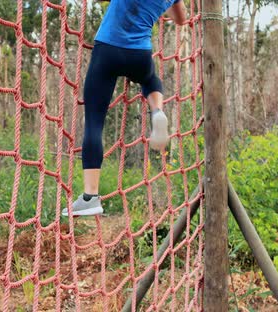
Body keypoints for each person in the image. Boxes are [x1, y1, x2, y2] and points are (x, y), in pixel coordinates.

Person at [62, 0, 186, 217]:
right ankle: (157, 111)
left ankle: (90, 197)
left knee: (94, 121)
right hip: (140, 55)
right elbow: (181, 19)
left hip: (108, 51)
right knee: (150, 79)